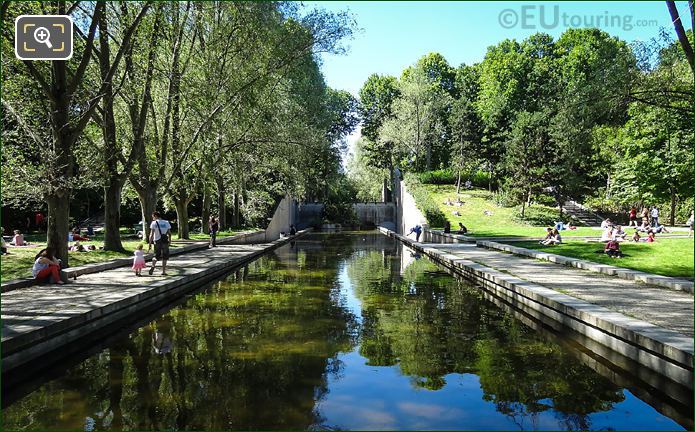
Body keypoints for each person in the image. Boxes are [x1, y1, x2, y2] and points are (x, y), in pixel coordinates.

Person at [148, 211, 172, 276]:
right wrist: (169, 241)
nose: (152, 218)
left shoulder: (154, 223)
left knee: (155, 255)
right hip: (164, 241)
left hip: (157, 241)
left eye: (153, 217)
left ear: (155, 216)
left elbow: (151, 234)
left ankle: (153, 266)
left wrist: (150, 244)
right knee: (165, 256)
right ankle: (163, 271)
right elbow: (169, 233)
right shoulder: (166, 222)